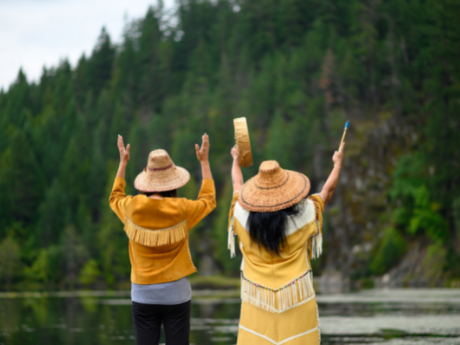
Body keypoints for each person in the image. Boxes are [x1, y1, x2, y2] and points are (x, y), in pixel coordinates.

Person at [227, 143, 345, 345]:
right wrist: (337, 165)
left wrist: (235, 161)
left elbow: (237, 185)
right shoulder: (305, 214)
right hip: (296, 299)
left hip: (257, 302)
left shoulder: (241, 216)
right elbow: (327, 192)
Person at [109, 134, 216, 345]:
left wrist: (123, 163)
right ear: (172, 181)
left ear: (146, 181)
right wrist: (204, 162)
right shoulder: (182, 208)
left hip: (142, 294)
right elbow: (208, 200)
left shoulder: (131, 207)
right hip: (176, 294)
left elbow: (115, 197)